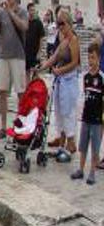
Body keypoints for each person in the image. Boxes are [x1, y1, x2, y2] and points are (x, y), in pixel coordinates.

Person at [38, 11, 81, 155]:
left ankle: (71, 142)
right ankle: (62, 141)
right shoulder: (63, 40)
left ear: (69, 24)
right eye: (58, 23)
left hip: (69, 80)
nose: (60, 26)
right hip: (61, 80)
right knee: (59, 111)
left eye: (62, 23)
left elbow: (75, 62)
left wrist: (60, 70)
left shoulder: (73, 40)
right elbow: (54, 57)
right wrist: (41, 67)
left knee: (68, 111)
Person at [0, 0, 30, 139]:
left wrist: (10, 12)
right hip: (3, 55)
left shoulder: (22, 11)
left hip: (18, 55)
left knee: (20, 91)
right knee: (2, 91)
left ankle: (20, 124)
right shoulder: (0, 12)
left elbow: (24, 26)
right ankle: (2, 126)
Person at [72, 41, 102, 184]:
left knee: (95, 148)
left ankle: (92, 173)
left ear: (99, 59)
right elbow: (84, 95)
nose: (91, 61)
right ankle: (81, 169)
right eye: (89, 57)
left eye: (94, 58)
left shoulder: (102, 78)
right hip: (86, 117)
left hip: (97, 120)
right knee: (83, 146)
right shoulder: (85, 77)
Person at [25, 3, 45, 81]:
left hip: (35, 51)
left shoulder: (38, 23)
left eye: (33, 10)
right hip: (26, 51)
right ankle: (28, 89)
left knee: (36, 71)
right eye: (31, 10)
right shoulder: (25, 22)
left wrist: (39, 52)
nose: (32, 12)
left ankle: (35, 88)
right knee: (26, 71)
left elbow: (41, 38)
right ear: (28, 11)